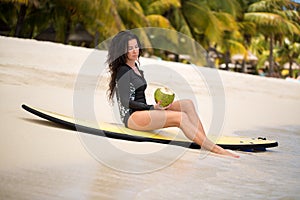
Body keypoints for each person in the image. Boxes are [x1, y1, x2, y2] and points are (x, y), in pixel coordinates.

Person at [106, 30, 239, 158]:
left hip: (143, 112)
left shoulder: (136, 68)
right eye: (130, 48)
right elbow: (125, 101)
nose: (135, 50)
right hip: (132, 118)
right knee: (180, 118)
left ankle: (203, 141)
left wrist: (155, 106)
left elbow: (139, 96)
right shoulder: (123, 70)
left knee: (187, 104)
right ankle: (216, 149)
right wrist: (152, 108)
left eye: (136, 46)